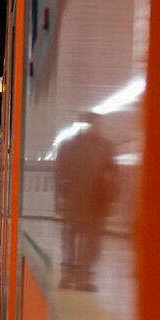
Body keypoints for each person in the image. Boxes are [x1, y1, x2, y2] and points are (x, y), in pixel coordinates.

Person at [54, 112, 117, 291]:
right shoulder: (68, 146)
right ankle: (68, 273)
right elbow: (60, 174)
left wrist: (112, 200)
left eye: (99, 124)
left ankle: (84, 275)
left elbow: (113, 173)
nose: (98, 128)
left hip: (97, 202)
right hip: (74, 200)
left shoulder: (105, 147)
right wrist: (59, 198)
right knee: (71, 238)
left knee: (92, 241)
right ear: (84, 125)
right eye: (94, 124)